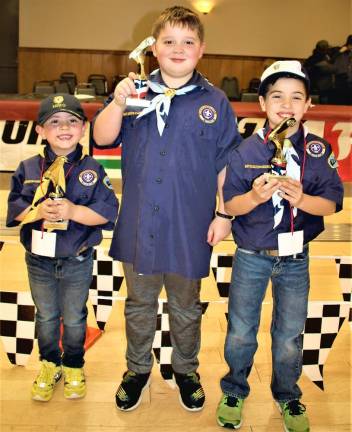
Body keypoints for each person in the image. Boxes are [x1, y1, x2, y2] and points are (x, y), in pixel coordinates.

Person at [92, 5, 242, 412]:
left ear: (202, 50)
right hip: (141, 224)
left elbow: (226, 165)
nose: (178, 49)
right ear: (153, 48)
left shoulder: (215, 101)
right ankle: (137, 369)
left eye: (188, 42)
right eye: (169, 41)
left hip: (189, 226)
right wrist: (117, 102)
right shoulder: (136, 91)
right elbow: (103, 139)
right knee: (139, 304)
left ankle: (185, 369)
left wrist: (224, 215)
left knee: (186, 305)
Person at [216, 61, 343, 431]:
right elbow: (231, 206)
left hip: (295, 259)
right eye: (277, 97)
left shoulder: (317, 151)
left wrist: (302, 199)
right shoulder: (244, 151)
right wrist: (254, 198)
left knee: (289, 333)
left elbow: (332, 204)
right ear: (262, 102)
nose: (286, 105)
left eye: (296, 97)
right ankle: (235, 389)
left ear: (308, 106)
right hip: (251, 256)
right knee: (241, 328)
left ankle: (288, 395)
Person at [6, 94, 118, 402]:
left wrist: (72, 212)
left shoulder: (93, 169)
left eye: (72, 121)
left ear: (84, 128)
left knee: (73, 316)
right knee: (45, 315)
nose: (63, 128)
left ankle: (73, 364)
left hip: (77, 259)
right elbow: (13, 210)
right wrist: (37, 212)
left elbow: (107, 213)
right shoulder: (27, 168)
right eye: (54, 122)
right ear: (40, 130)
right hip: (37, 260)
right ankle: (49, 363)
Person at [304, 40, 335, 104]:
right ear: (324, 49)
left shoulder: (312, 58)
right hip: (320, 85)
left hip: (312, 84)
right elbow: (332, 69)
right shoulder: (321, 58)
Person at [333, 34, 352, 105]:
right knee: (342, 99)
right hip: (342, 78)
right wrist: (340, 52)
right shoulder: (341, 51)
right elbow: (331, 60)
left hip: (348, 78)